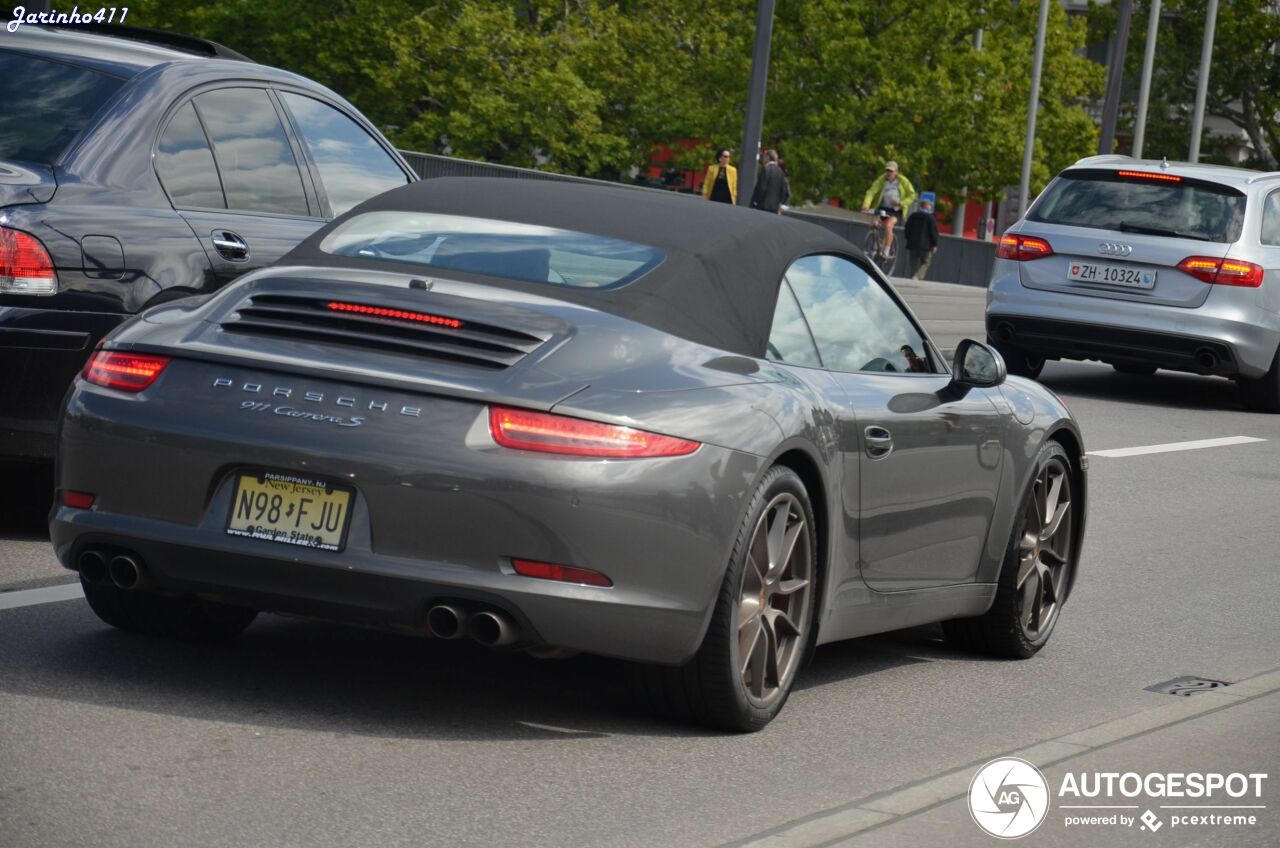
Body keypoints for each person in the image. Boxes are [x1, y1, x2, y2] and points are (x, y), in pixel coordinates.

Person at [861, 160, 916, 260]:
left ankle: (886, 250)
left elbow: (912, 195)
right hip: (884, 210)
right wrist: (866, 205)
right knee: (873, 224)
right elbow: (871, 192)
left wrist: (900, 203)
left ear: (896, 172)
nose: (888, 173)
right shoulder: (881, 180)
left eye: (891, 171)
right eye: (887, 170)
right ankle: (878, 246)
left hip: (897, 211)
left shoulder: (903, 181)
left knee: (888, 225)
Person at [904, 198, 939, 280]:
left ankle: (912, 276)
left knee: (913, 262)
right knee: (926, 262)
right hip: (926, 245)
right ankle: (917, 276)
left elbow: (907, 228)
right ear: (928, 206)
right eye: (930, 206)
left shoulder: (913, 216)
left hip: (912, 243)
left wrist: (908, 238)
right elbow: (933, 232)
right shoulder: (931, 218)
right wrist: (935, 244)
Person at [750, 149, 791, 213]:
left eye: (764, 157)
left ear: (768, 157)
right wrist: (782, 206)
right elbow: (785, 192)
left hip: (762, 207)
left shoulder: (766, 170)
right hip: (775, 208)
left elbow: (761, 188)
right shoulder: (781, 173)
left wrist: (754, 202)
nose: (763, 159)